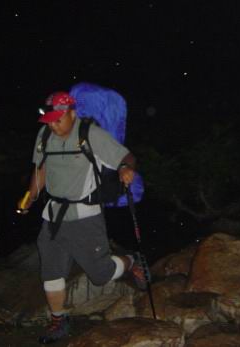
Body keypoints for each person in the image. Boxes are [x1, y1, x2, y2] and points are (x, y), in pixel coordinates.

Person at [17, 91, 147, 344]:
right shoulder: (44, 135)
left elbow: (127, 157)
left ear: (72, 113)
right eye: (49, 121)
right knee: (51, 271)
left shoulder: (90, 134)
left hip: (85, 216)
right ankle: (58, 320)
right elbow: (41, 169)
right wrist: (29, 197)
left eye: (58, 120)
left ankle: (131, 260)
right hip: (53, 215)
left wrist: (125, 168)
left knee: (100, 274)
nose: (53, 126)